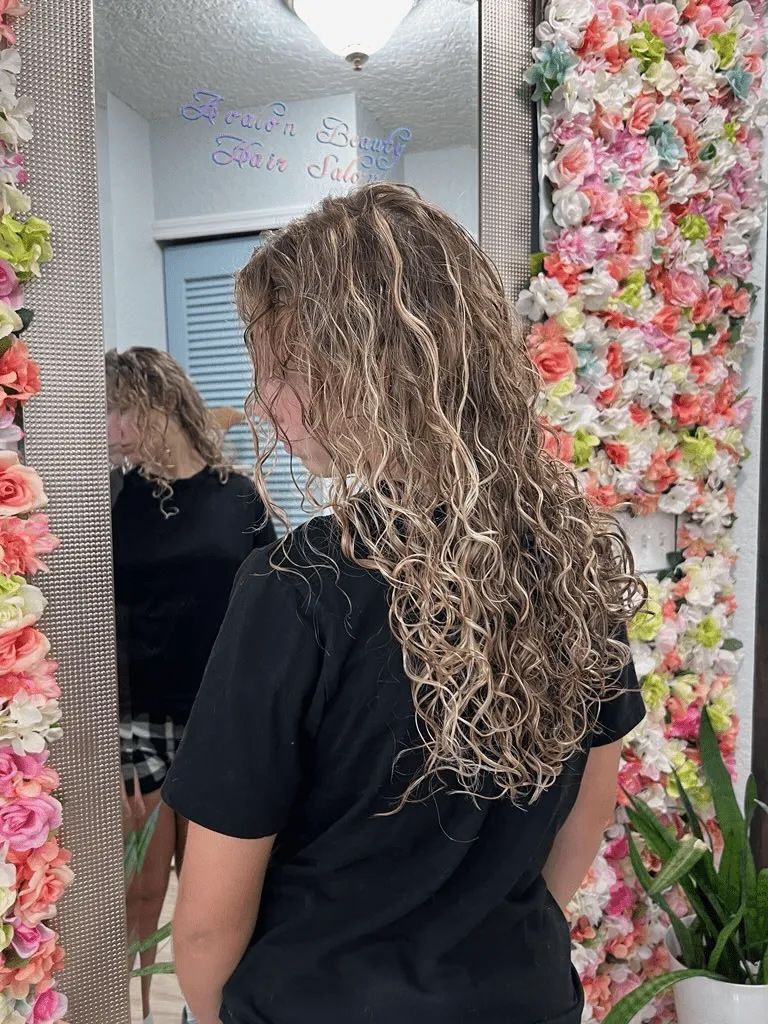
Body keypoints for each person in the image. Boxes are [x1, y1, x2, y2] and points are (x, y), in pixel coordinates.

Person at [162, 183, 646, 1024]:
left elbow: (204, 926)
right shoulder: (572, 559)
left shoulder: (299, 587)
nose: (262, 402)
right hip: (518, 995)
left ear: (368, 373)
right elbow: (589, 808)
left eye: (280, 370)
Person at [107, 347, 276, 1024]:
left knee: (212, 894)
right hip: (136, 719)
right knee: (139, 893)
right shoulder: (110, 497)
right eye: (105, 411)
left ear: (160, 402)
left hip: (219, 719)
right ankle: (138, 1011)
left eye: (122, 409)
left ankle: (202, 1011)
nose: (111, 427)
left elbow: (270, 612)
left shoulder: (237, 495)